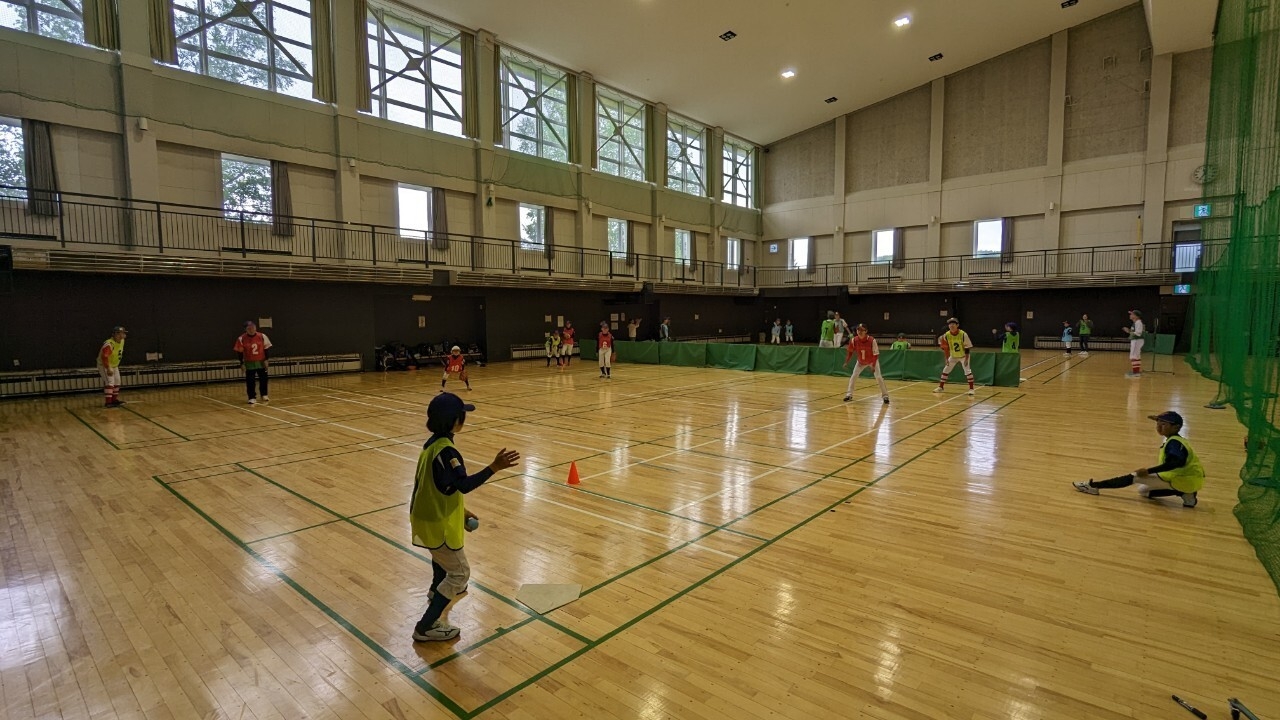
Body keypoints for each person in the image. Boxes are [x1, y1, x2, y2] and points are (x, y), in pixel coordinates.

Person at [409, 392, 520, 642]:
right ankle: (425, 627)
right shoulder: (447, 452)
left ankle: (434, 592)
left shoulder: (432, 444)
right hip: (436, 522)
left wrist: (461, 511)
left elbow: (440, 486)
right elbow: (463, 485)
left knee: (440, 558)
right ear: (454, 421)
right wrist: (494, 467)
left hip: (426, 517)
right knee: (459, 574)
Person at [1072, 411, 1203, 508]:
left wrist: (1148, 471)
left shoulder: (1174, 443)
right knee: (1143, 491)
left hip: (1182, 478)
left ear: (1176, 427)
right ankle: (1185, 493)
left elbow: (1175, 463)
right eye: (1158, 423)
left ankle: (1093, 486)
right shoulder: (1177, 440)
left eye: (1163, 424)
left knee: (1134, 477)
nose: (1158, 427)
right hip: (1189, 479)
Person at [843, 324, 890, 405]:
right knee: (853, 377)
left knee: (878, 377)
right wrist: (846, 361)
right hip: (860, 362)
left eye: (862, 330)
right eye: (858, 330)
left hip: (872, 361)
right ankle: (849, 395)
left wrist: (873, 365)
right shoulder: (854, 340)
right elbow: (850, 352)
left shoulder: (872, 340)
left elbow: (876, 354)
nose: (860, 332)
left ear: (866, 331)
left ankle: (885, 396)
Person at [234, 321, 272, 405]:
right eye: (249, 328)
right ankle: (252, 397)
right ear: (246, 329)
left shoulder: (262, 336)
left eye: (253, 327)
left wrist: (266, 359)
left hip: (261, 361)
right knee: (250, 381)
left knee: (263, 379)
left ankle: (264, 394)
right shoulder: (241, 338)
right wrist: (242, 363)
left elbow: (266, 348)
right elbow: (239, 352)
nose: (252, 329)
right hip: (249, 363)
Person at [934, 317, 975, 396]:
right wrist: (947, 358)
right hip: (953, 356)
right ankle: (941, 387)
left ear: (957, 325)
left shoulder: (963, 334)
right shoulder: (946, 335)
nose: (951, 325)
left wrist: (966, 359)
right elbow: (946, 348)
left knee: (967, 371)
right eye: (950, 324)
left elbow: (967, 347)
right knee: (945, 370)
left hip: (963, 356)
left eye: (953, 324)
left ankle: (971, 389)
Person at [96, 325, 127, 407]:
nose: (121, 336)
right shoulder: (109, 344)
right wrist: (108, 367)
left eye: (122, 333)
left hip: (114, 365)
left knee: (117, 382)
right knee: (110, 382)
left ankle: (114, 400)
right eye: (118, 334)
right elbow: (104, 357)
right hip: (104, 364)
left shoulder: (122, 341)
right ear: (113, 334)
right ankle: (108, 402)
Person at [1123, 310, 1145, 377]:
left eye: (1132, 314)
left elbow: (1138, 333)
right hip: (1137, 340)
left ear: (1136, 316)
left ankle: (1136, 373)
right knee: (1136, 356)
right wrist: (1129, 331)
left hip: (1137, 341)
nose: (1130, 315)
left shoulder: (1138, 322)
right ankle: (1136, 371)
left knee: (1133, 356)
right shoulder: (1136, 323)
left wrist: (1129, 331)